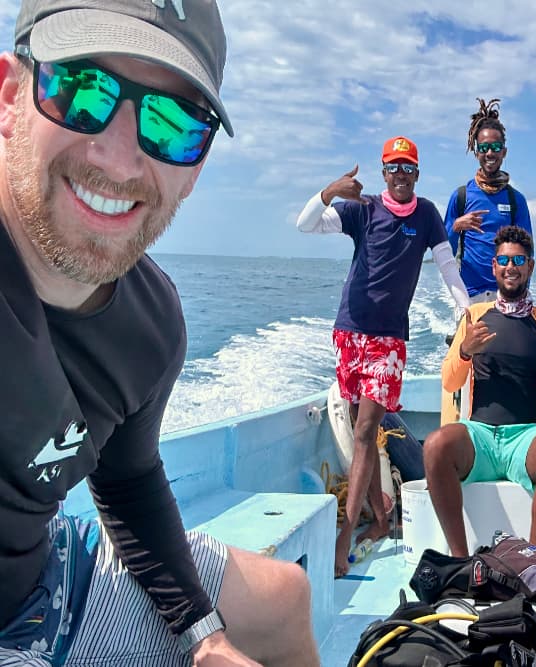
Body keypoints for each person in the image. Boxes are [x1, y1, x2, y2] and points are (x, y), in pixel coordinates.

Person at [1, 1, 319, 665]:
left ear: (195, 169)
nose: (119, 161)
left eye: (171, 123)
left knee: (285, 595)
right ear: (9, 95)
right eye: (83, 91)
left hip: (44, 573)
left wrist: (204, 636)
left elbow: (129, 475)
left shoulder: (151, 323)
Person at [296, 136, 470, 576]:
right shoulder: (364, 208)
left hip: (388, 341)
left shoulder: (427, 215)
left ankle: (346, 534)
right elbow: (305, 224)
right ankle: (380, 515)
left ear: (416, 174)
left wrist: (466, 311)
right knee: (362, 430)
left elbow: (448, 266)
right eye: (392, 168)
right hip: (349, 332)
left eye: (407, 168)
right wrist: (330, 191)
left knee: (366, 430)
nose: (399, 176)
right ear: (383, 172)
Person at [423, 226, 536, 556]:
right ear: (494, 266)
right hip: (479, 436)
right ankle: (459, 559)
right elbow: (450, 382)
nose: (511, 267)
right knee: (436, 445)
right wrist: (465, 350)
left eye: (519, 260)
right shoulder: (474, 318)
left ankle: (534, 561)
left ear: (530, 267)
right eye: (504, 260)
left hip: (525, 437)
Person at [444, 98, 531, 303]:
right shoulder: (461, 196)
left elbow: (527, 251)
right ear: (476, 153)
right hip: (469, 295)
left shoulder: (515, 200)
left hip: (506, 296)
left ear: (504, 151)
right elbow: (443, 248)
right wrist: (457, 226)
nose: (489, 153)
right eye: (483, 148)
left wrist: (521, 296)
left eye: (495, 147)